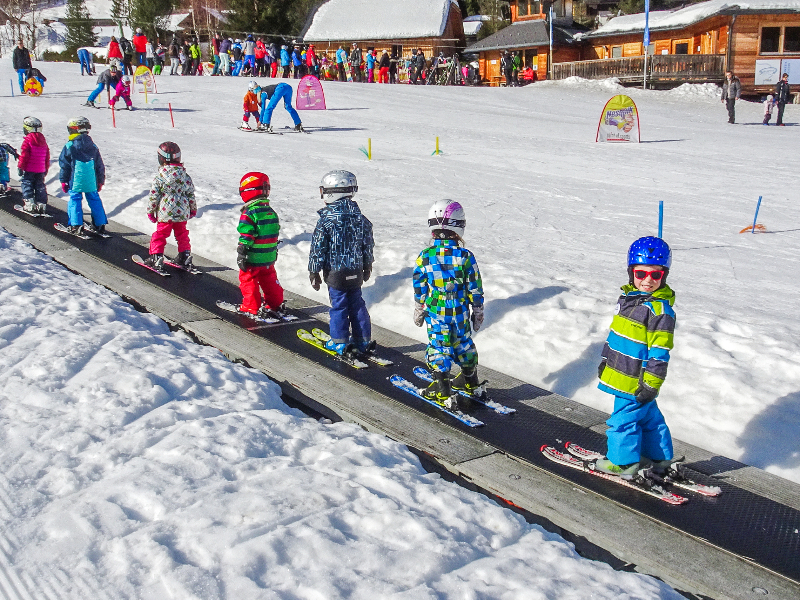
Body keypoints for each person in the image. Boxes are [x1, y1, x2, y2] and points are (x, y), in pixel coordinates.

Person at [595, 237, 676, 478]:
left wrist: (651, 383)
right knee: (650, 418)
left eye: (656, 275)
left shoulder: (659, 311)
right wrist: (605, 359)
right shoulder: (629, 301)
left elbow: (660, 353)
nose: (648, 280)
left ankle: (623, 462)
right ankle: (658, 457)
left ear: (664, 275)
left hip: (635, 380)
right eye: (641, 274)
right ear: (631, 273)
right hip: (621, 372)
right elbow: (617, 335)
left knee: (623, 420)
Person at [412, 200, 485, 407]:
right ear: (459, 226)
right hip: (460, 310)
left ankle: (443, 388)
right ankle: (470, 380)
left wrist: (419, 308)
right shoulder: (466, 257)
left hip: (436, 311)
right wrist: (477, 309)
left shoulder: (425, 257)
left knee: (440, 345)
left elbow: (419, 285)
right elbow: (475, 286)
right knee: (463, 343)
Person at [308, 170, 374, 355]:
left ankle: (339, 341)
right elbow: (367, 244)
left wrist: (314, 271)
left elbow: (318, 248)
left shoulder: (327, 221)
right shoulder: (361, 219)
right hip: (356, 271)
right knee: (357, 304)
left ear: (330, 192)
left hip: (336, 273)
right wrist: (367, 264)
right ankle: (363, 340)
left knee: (339, 306)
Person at [236, 172, 285, 317]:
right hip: (268, 256)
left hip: (253, 256)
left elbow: (247, 234)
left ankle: (250, 307)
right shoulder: (271, 212)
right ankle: (276, 304)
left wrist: (242, 251)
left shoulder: (249, 213)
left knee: (248, 279)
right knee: (269, 279)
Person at [143, 142, 196, 273]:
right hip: (182, 212)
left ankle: (156, 257)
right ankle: (184, 256)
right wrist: (193, 208)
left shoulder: (160, 176)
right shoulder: (185, 175)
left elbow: (154, 195)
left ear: (161, 158)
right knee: (182, 234)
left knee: (160, 234)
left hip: (165, 213)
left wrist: (151, 211)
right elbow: (190, 194)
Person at [59, 116, 107, 235]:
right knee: (94, 199)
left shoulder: (70, 146)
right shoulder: (93, 146)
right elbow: (99, 165)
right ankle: (99, 224)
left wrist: (63, 180)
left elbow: (64, 165)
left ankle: (75, 225)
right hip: (91, 179)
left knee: (75, 199)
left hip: (76, 179)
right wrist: (100, 180)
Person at [17, 116, 50, 215]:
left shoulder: (28, 140)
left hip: (29, 168)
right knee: (40, 185)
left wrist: (20, 166)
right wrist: (46, 168)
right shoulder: (43, 141)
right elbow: (47, 156)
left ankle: (29, 202)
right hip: (40, 169)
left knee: (27, 183)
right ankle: (41, 204)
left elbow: (24, 155)